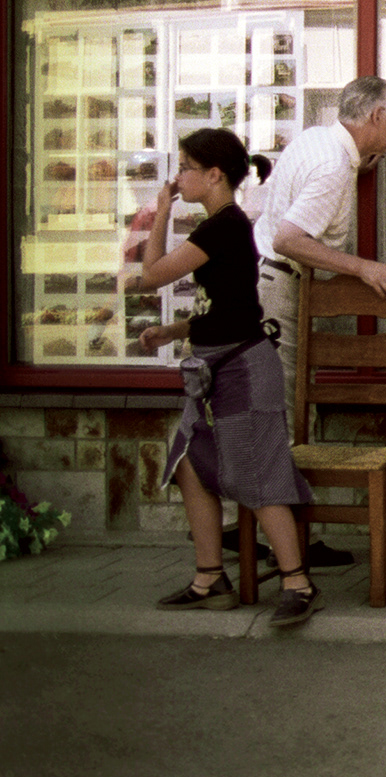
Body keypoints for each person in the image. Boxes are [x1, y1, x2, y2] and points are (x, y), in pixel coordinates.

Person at [138, 128, 323, 630]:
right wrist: (172, 330)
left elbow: (149, 275)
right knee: (191, 465)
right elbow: (227, 307)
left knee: (256, 472)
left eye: (185, 168)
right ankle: (209, 579)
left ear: (213, 175)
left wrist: (160, 209)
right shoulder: (222, 227)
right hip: (214, 366)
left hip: (241, 368)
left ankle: (297, 583)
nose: (178, 178)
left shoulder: (221, 226)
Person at [240, 75, 386, 568]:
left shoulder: (319, 141)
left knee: (283, 406)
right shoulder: (334, 165)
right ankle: (283, 546)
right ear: (374, 117)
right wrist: (362, 266)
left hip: (271, 281)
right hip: (282, 285)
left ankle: (277, 532)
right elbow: (290, 237)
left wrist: (359, 167)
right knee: (285, 410)